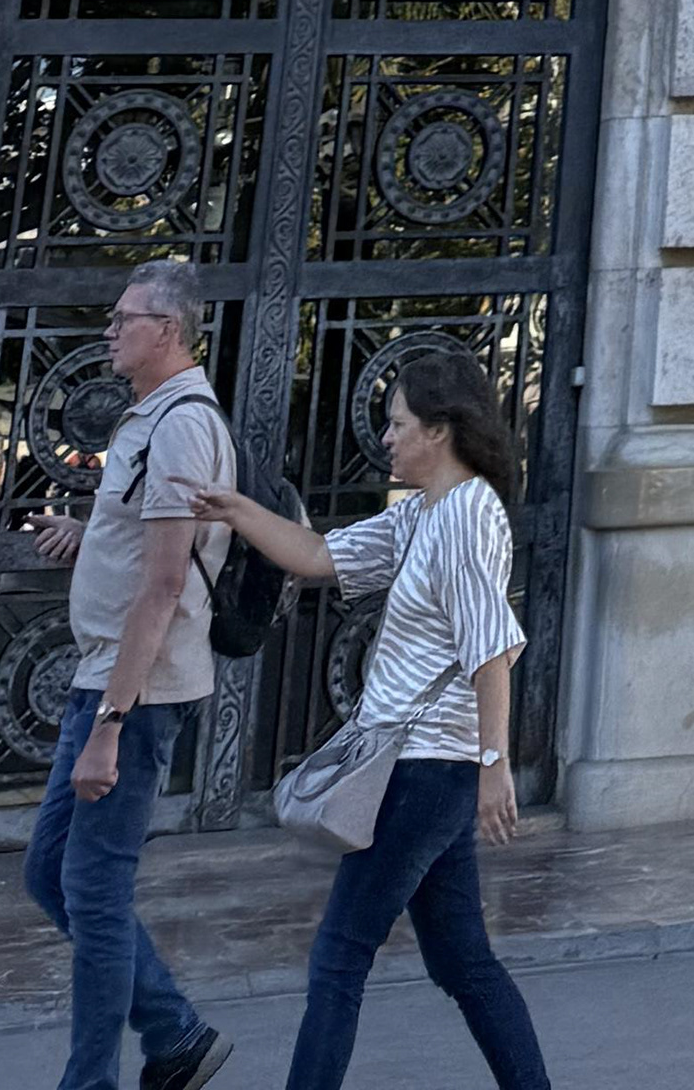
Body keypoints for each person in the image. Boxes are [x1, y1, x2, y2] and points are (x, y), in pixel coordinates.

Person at [192, 346, 552, 1090]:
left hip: (425, 771)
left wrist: (494, 767)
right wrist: (240, 509)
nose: (386, 439)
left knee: (339, 956)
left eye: (398, 424)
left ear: (439, 432)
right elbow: (319, 556)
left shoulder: (463, 516)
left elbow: (493, 650)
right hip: (423, 769)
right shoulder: (423, 514)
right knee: (463, 962)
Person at [23, 263, 235, 1090]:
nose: (111, 330)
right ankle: (175, 1031)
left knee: (96, 893)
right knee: (52, 874)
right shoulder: (151, 418)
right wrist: (87, 536)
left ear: (169, 331)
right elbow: (145, 548)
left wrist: (110, 724)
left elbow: (166, 583)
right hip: (106, 680)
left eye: (125, 318)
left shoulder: (183, 425)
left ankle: (95, 1080)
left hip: (132, 693)